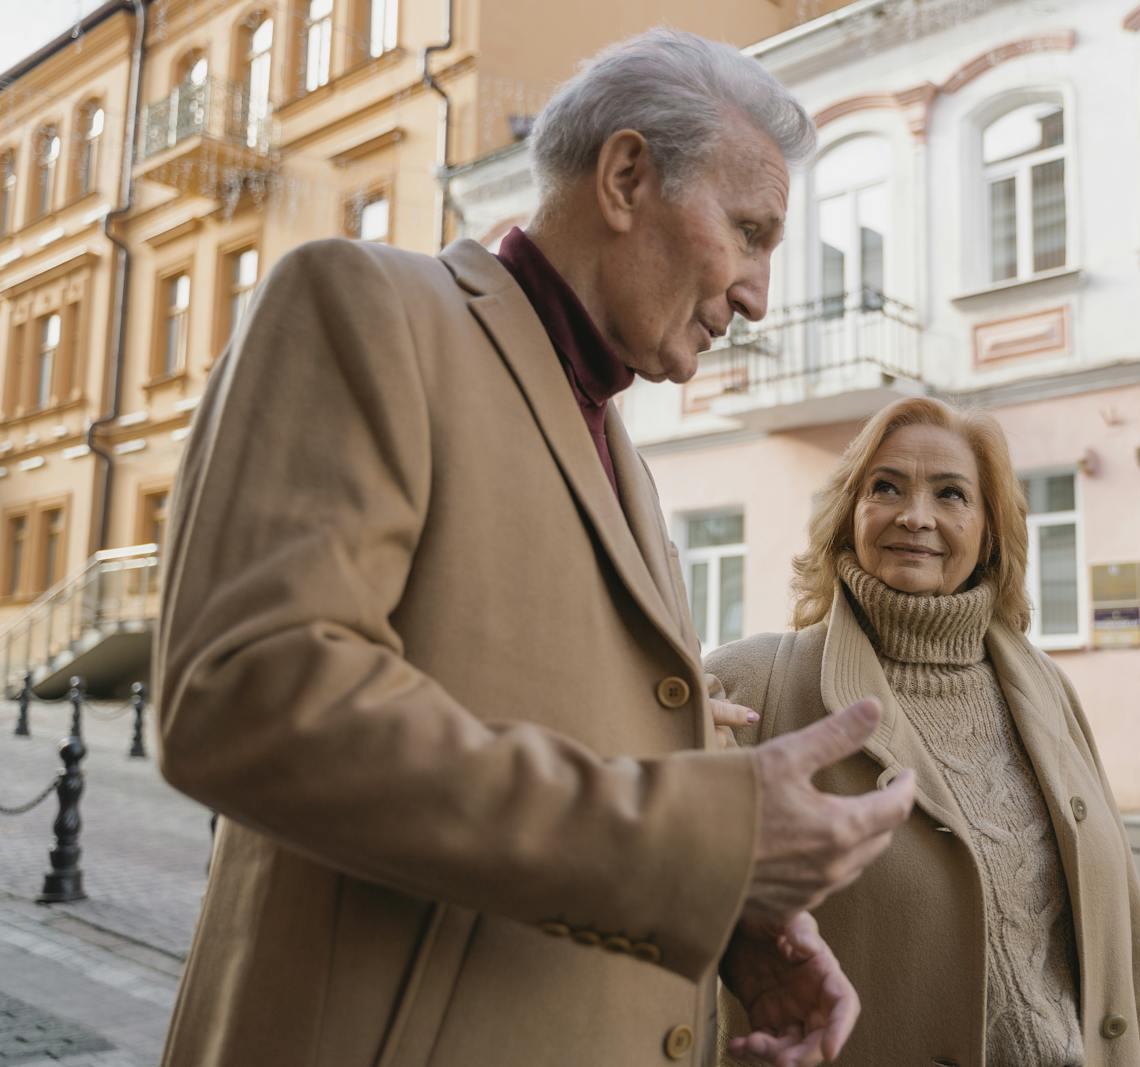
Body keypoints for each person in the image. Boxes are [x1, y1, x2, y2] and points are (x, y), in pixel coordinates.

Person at [152, 29, 915, 1067]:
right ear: (627, 176)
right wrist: (705, 840)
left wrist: (740, 922)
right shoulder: (370, 306)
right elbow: (250, 694)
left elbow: (572, 738)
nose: (757, 294)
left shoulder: (621, 449)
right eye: (747, 232)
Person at [708, 397, 1140, 1067]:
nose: (915, 515)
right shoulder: (753, 683)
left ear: (988, 531)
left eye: (950, 493)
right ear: (850, 514)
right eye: (886, 486)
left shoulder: (1045, 688)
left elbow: (1125, 942)